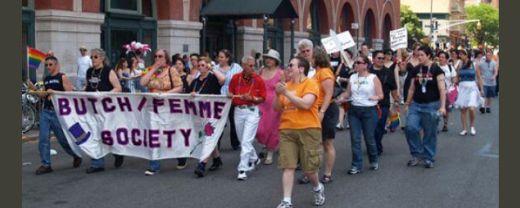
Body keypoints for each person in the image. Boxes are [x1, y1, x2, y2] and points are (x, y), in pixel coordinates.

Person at [274, 56, 325, 208]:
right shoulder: (286, 85)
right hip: (287, 129)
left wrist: (286, 93)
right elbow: (277, 108)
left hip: (308, 129)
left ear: (301, 69)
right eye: (288, 65)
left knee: (309, 170)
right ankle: (286, 201)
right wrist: (278, 94)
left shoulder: (311, 83)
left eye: (291, 65)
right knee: (288, 166)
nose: (288, 68)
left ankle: (317, 187)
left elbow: (306, 104)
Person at [33, 56, 82, 175]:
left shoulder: (62, 77)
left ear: (56, 64)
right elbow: (43, 95)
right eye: (46, 65)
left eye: (50, 64)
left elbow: (69, 94)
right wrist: (32, 87)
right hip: (46, 111)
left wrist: (54, 93)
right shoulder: (46, 79)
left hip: (57, 113)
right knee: (43, 139)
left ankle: (76, 155)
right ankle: (46, 164)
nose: (48, 67)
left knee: (62, 139)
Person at [139, 49, 185, 176]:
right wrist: (154, 69)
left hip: (168, 106)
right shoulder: (150, 69)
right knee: (154, 134)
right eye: (156, 56)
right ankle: (154, 165)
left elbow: (179, 87)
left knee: (171, 134)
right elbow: (142, 83)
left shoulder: (172, 70)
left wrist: (165, 94)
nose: (157, 58)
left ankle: (181, 155)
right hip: (153, 107)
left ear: (166, 58)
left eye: (160, 56)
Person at [337, 55, 383, 175]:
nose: (356, 64)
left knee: (369, 138)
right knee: (355, 139)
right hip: (354, 111)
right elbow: (348, 93)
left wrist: (375, 97)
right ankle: (356, 165)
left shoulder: (373, 78)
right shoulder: (352, 77)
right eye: (355, 63)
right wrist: (342, 97)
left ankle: (373, 159)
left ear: (365, 65)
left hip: (369, 111)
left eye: (358, 62)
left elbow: (381, 95)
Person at [298, 47, 337, 184]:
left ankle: (327, 173)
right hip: (316, 109)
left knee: (327, 143)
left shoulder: (325, 72)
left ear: (317, 58)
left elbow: (328, 94)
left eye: (311, 56)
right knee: (314, 142)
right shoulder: (317, 72)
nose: (309, 59)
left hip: (325, 110)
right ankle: (311, 172)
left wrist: (322, 112)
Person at [404, 46, 446, 169]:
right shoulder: (415, 70)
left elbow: (442, 89)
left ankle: (428, 157)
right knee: (410, 128)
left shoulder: (436, 69)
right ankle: (416, 154)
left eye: (422, 55)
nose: (419, 57)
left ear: (428, 56)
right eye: (418, 55)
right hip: (416, 105)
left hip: (431, 106)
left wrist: (442, 107)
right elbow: (412, 88)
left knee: (429, 132)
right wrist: (407, 103)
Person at [85, 48, 124, 174]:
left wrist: (104, 95)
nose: (92, 59)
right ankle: (97, 163)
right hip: (92, 108)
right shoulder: (89, 71)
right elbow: (87, 87)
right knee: (95, 135)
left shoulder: (108, 71)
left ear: (102, 58)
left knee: (108, 135)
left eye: (95, 57)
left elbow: (118, 88)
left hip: (107, 108)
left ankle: (118, 152)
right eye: (91, 57)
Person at [228, 56, 266, 180]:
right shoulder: (235, 78)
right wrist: (229, 95)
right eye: (250, 65)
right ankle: (254, 158)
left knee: (245, 141)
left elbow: (263, 97)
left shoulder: (258, 79)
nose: (253, 68)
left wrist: (252, 99)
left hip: (252, 111)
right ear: (243, 65)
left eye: (253, 65)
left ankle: (242, 169)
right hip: (238, 110)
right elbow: (231, 93)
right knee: (242, 140)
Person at [191, 57, 226, 178]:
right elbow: (189, 93)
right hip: (201, 114)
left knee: (209, 136)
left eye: (203, 65)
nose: (200, 67)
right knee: (210, 137)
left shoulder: (212, 78)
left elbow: (223, 80)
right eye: (199, 65)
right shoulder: (196, 81)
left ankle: (202, 164)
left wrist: (213, 69)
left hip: (214, 114)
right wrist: (192, 94)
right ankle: (216, 159)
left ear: (207, 66)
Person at [256, 49, 284, 165]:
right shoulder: (261, 70)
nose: (269, 60)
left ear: (276, 61)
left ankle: (270, 153)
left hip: (274, 105)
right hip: (260, 103)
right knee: (259, 129)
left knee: (272, 129)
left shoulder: (280, 73)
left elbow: (284, 89)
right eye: (267, 58)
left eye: (271, 58)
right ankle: (266, 145)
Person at [212, 49, 243, 150]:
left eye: (222, 57)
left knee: (233, 121)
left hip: (231, 98)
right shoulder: (215, 68)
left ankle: (235, 142)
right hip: (219, 99)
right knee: (219, 122)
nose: (219, 59)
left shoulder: (236, 67)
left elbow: (242, 80)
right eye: (219, 57)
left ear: (227, 58)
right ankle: (217, 144)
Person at [370, 50, 399, 156]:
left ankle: (376, 144)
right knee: (371, 127)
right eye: (379, 58)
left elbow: (393, 88)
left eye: (383, 58)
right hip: (368, 104)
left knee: (380, 126)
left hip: (384, 103)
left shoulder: (388, 72)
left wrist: (396, 100)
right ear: (373, 59)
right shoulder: (367, 71)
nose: (381, 60)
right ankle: (374, 145)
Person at [455, 49, 484, 136]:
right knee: (463, 109)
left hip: (472, 88)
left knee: (471, 108)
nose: (460, 56)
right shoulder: (459, 64)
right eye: (459, 54)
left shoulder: (474, 64)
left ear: (466, 55)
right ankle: (464, 129)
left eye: (462, 54)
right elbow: (457, 76)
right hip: (462, 88)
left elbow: (479, 77)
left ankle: (472, 126)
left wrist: (481, 89)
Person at [437, 51, 457, 132]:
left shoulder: (450, 67)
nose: (441, 58)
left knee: (446, 109)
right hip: (436, 92)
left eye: (443, 57)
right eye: (440, 57)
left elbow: (454, 77)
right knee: (436, 108)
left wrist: (453, 83)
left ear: (446, 59)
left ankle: (445, 124)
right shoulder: (435, 66)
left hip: (447, 92)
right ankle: (436, 125)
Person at [334, 50, 355, 130]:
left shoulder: (353, 64)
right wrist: (339, 78)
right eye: (343, 54)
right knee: (341, 104)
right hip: (342, 87)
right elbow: (336, 74)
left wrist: (346, 80)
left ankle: (350, 122)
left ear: (350, 55)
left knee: (349, 104)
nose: (345, 56)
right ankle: (340, 123)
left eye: (346, 54)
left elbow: (355, 75)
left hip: (351, 87)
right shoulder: (341, 64)